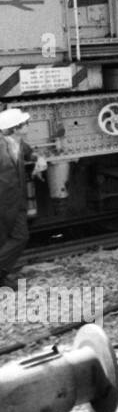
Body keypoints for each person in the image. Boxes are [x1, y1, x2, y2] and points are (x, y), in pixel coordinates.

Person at [0, 108, 46, 292]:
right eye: (25, 123)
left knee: (16, 237)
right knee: (14, 238)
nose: (28, 125)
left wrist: (39, 158)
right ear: (15, 128)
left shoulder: (17, 143)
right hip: (3, 203)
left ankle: (2, 276)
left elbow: (29, 152)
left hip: (15, 202)